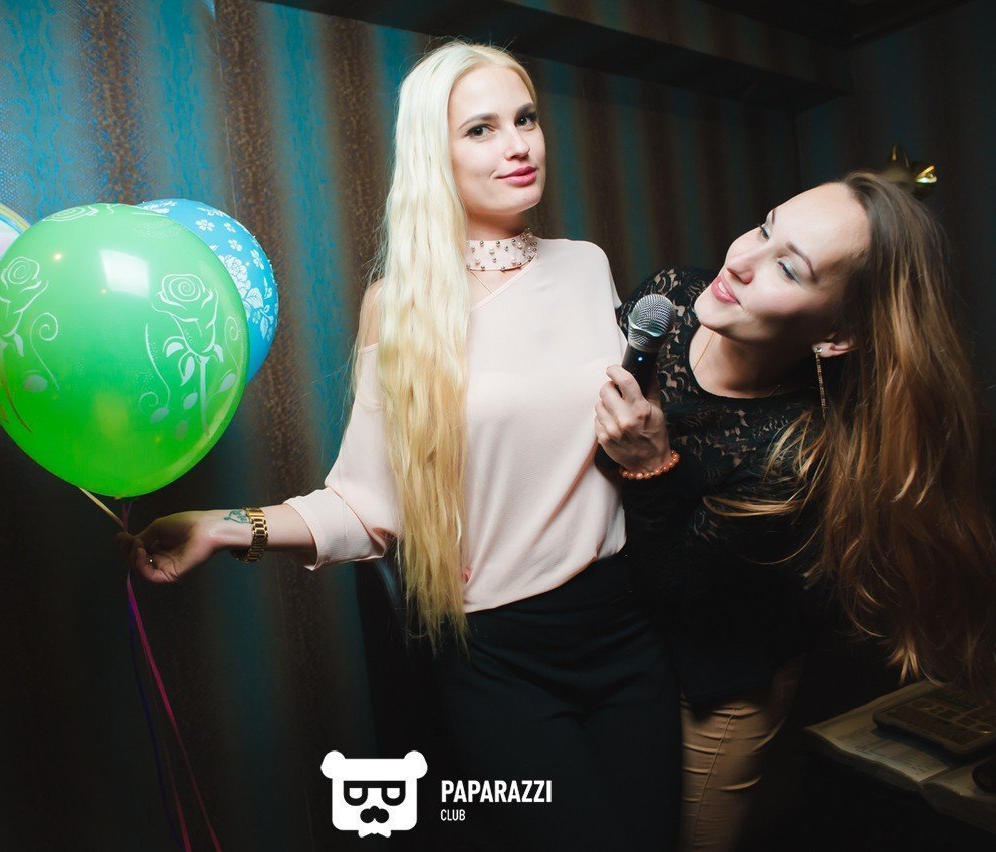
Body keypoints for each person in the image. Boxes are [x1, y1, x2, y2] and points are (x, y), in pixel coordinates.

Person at [119, 42, 680, 850]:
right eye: (480, 129)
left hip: (626, 629)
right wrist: (222, 528)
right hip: (503, 662)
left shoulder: (587, 266)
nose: (518, 145)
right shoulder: (401, 308)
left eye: (525, 119)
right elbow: (366, 506)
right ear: (433, 155)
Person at [594, 172, 996, 851]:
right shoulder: (672, 295)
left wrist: (651, 467)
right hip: (624, 649)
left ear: (837, 335)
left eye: (788, 267)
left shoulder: (797, 452)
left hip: (723, 676)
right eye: (764, 227)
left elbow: (681, 594)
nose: (741, 259)